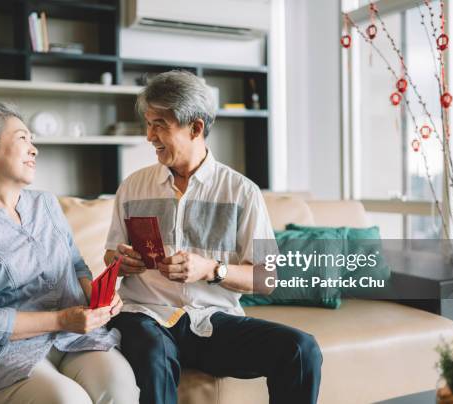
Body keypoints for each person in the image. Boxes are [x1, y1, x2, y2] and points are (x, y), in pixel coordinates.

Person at [104, 71, 322, 404]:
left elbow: (268, 277)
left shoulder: (243, 192)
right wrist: (121, 262)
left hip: (211, 322)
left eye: (160, 124)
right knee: (152, 352)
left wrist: (211, 270)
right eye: (148, 124)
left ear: (195, 127)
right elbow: (110, 258)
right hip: (146, 316)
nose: (150, 136)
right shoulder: (132, 187)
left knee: (301, 349)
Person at [0, 102, 139, 404]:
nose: (34, 149)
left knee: (120, 385)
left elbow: (75, 266)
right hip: (2, 352)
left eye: (32, 139)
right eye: (22, 138)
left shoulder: (46, 204)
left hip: (73, 339)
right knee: (67, 401)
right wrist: (61, 320)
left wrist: (98, 297)